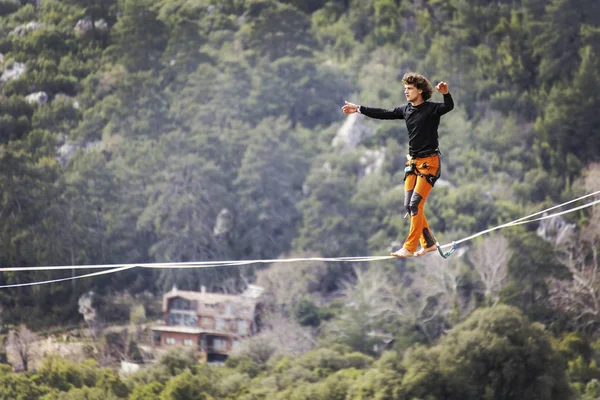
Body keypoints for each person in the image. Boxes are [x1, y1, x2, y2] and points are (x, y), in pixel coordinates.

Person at [341, 72, 454, 258]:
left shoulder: (431, 109)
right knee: (409, 206)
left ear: (420, 90)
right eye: (405, 89)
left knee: (416, 204)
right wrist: (359, 108)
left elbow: (448, 106)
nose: (406, 92)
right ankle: (429, 243)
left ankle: (409, 247)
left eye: (410, 89)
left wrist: (446, 93)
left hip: (429, 164)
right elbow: (383, 113)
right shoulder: (406, 110)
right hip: (413, 163)